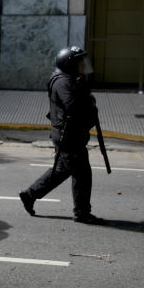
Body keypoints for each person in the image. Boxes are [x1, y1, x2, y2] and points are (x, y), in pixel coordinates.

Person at [19, 46, 105, 225]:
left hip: (70, 135)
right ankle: (80, 212)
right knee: (80, 174)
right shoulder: (63, 83)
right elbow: (72, 107)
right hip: (68, 137)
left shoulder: (69, 79)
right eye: (80, 63)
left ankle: (31, 195)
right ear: (71, 64)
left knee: (66, 171)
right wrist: (88, 102)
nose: (83, 66)